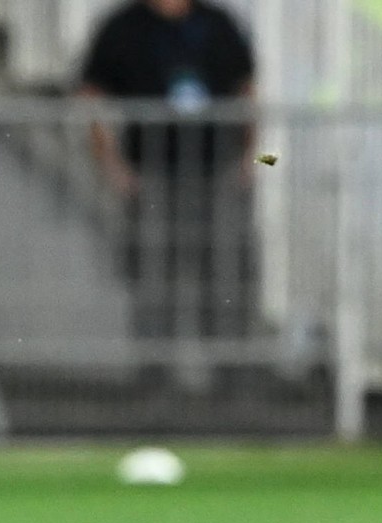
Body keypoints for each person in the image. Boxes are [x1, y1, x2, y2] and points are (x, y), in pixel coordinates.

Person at [78, 0, 256, 344]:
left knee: (224, 282)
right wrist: (111, 165)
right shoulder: (122, 28)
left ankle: (229, 380)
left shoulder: (219, 25)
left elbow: (247, 95)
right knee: (153, 284)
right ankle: (155, 384)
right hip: (151, 177)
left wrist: (253, 159)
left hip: (216, 175)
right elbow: (90, 97)